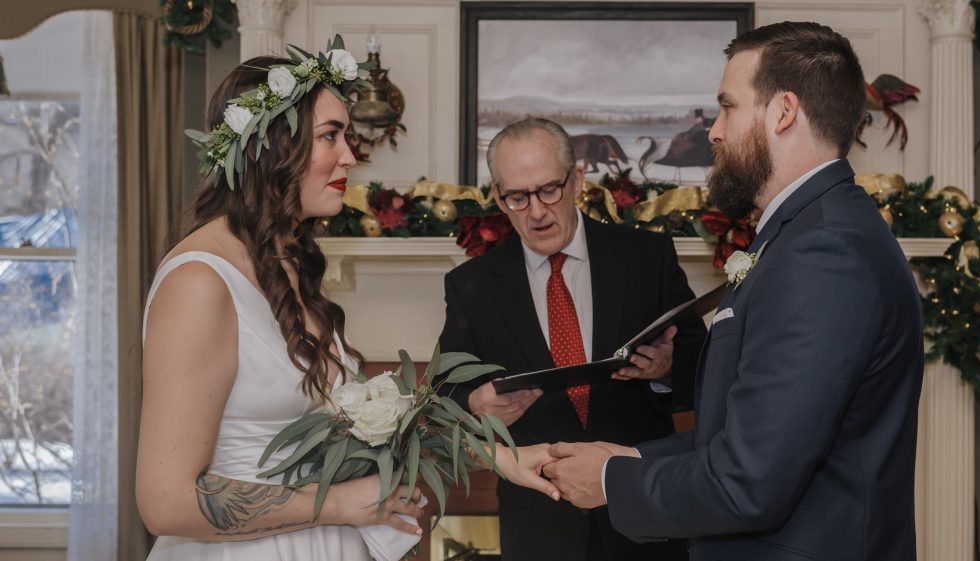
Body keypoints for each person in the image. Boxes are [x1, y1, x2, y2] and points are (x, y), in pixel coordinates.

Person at [136, 44, 555, 561]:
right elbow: (165, 502)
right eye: (330, 136)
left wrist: (496, 453)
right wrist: (334, 504)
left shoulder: (290, 266)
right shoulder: (199, 281)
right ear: (271, 146)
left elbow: (357, 431)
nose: (351, 157)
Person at [542, 21, 924, 561]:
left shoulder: (824, 253)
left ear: (783, 111)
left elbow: (749, 483)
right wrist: (628, 455)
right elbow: (747, 436)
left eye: (728, 107)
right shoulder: (813, 231)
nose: (715, 131)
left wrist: (610, 481)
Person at [438, 117, 707, 561]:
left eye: (549, 190)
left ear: (577, 179)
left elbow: (704, 362)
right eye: (518, 198)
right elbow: (443, 390)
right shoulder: (472, 285)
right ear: (499, 199)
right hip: (540, 522)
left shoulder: (646, 258)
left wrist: (666, 369)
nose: (537, 211)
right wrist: (476, 404)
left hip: (641, 510)